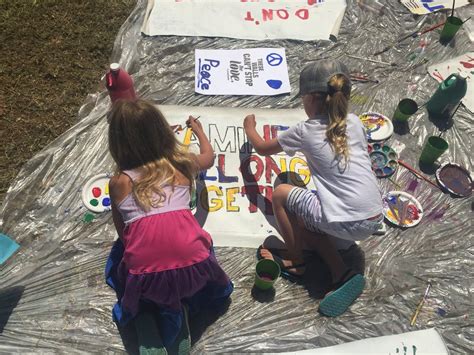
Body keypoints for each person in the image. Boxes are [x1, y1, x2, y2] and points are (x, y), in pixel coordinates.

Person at [243, 60, 383, 317]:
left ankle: (296, 260)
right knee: (313, 212)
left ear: (312, 98)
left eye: (303, 99)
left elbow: (263, 149)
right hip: (374, 217)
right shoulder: (354, 122)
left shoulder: (306, 130)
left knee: (282, 193)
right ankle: (342, 272)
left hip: (346, 220)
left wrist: (249, 129)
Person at [105, 99, 233, 352]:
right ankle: (179, 313)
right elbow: (209, 157)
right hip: (195, 272)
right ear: (163, 132)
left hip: (147, 280)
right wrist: (199, 132)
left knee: (124, 259)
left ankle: (157, 313)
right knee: (200, 242)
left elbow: (124, 235)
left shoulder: (118, 182)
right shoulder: (183, 163)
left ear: (117, 143)